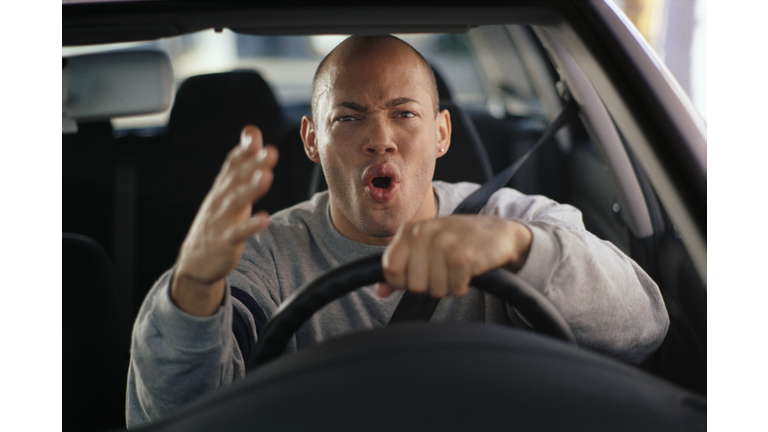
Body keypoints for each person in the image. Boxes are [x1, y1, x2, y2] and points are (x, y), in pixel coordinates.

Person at [126, 35, 669, 427]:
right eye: (349, 117)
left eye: (404, 115)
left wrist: (520, 251)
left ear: (441, 133)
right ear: (312, 141)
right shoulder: (264, 253)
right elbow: (176, 414)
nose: (379, 138)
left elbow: (643, 324)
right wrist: (193, 288)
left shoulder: (517, 221)